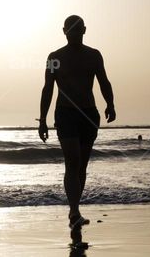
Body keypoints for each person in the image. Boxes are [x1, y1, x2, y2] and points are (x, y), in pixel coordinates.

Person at [38, 15, 115, 227]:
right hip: (66, 113)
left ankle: (75, 210)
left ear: (84, 30)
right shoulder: (54, 57)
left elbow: (104, 81)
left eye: (78, 29)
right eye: (70, 29)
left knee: (81, 166)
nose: (74, 32)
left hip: (89, 114)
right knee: (72, 162)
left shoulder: (94, 55)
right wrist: (42, 119)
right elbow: (48, 89)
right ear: (64, 31)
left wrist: (110, 104)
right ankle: (74, 212)